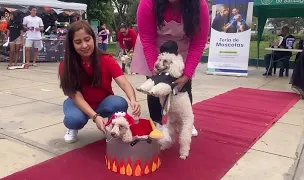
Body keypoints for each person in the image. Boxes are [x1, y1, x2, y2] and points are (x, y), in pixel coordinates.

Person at [132, 0, 210, 136]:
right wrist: (154, 67)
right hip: (154, 47)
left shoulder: (199, 5)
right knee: (155, 88)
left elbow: (198, 43)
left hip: (182, 47)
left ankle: (185, 122)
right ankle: (156, 124)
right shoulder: (147, 3)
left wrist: (186, 75)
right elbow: (148, 38)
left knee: (184, 87)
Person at [59, 20, 141, 144]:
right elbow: (77, 97)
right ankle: (72, 128)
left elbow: (123, 83)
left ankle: (112, 127)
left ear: (93, 38)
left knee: (119, 103)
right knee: (73, 120)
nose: (84, 45)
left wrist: (133, 100)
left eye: (87, 39)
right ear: (72, 44)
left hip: (103, 102)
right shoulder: (66, 65)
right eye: (78, 42)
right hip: (78, 104)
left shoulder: (106, 59)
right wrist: (95, 117)